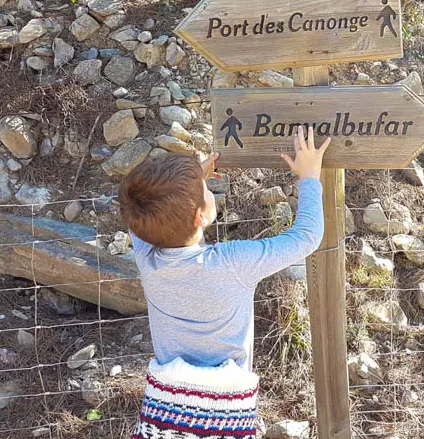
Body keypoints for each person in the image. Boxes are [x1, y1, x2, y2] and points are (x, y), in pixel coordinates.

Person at [119, 126, 331, 439]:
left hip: (163, 418)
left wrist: (191, 184)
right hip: (224, 416)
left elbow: (138, 217)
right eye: (205, 194)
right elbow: (306, 237)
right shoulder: (232, 263)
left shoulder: (147, 257)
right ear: (198, 217)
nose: (208, 193)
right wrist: (310, 178)